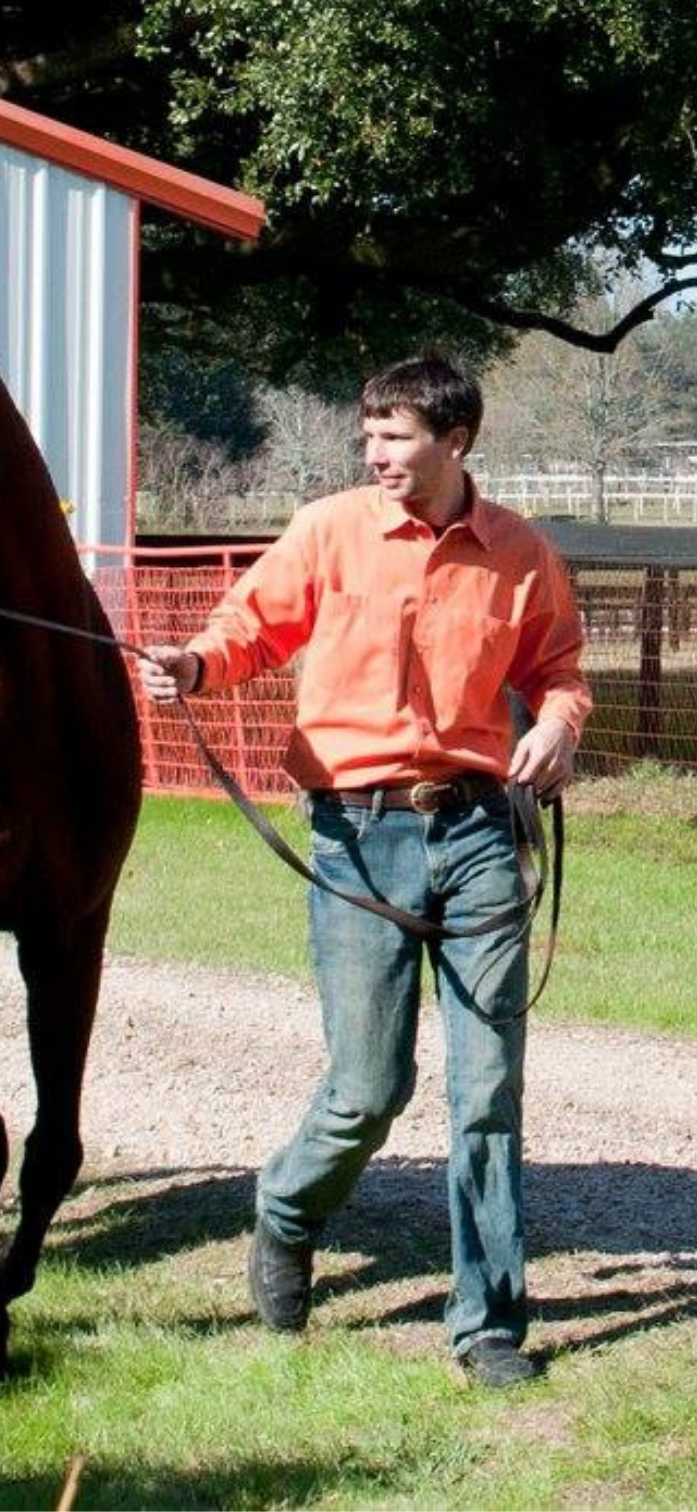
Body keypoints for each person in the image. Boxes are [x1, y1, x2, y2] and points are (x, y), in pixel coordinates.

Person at [140, 353, 590, 1388]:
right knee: (368, 1086)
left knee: (486, 1089)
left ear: (454, 442)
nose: (374, 453)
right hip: (357, 835)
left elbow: (558, 672)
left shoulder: (519, 554)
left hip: (478, 831)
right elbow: (249, 629)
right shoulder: (327, 531)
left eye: (394, 436)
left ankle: (487, 1328)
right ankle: (287, 1208)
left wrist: (559, 725)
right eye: (369, 436)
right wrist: (194, 666)